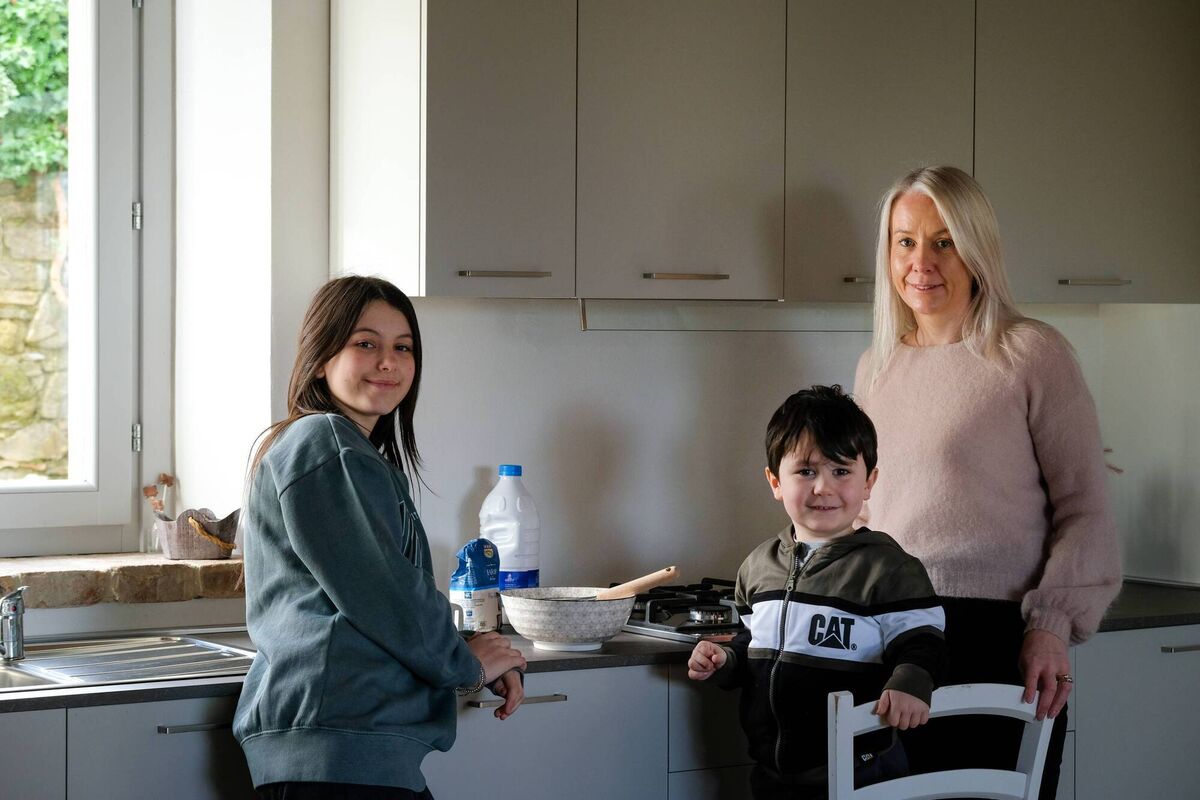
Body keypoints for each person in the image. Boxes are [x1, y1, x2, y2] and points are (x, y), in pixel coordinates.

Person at [853, 165, 1122, 797]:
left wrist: (1052, 625)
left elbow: (1086, 508)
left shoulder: (1030, 353)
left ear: (977, 249)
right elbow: (866, 513)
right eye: (905, 240)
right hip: (892, 636)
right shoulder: (878, 366)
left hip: (997, 638)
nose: (922, 261)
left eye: (944, 241)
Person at [234, 276, 528, 800]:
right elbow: (387, 595)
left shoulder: (343, 450)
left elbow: (375, 595)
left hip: (341, 750)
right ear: (321, 356)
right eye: (365, 343)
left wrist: (470, 654)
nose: (388, 362)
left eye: (403, 348)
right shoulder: (326, 443)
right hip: (340, 753)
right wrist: (465, 665)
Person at [688, 385, 946, 800]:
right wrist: (726, 659)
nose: (823, 487)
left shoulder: (889, 568)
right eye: (806, 471)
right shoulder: (757, 567)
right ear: (775, 481)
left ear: (869, 482)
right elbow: (752, 642)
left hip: (863, 770)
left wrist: (910, 681)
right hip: (773, 771)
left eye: (841, 471)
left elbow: (923, 642)